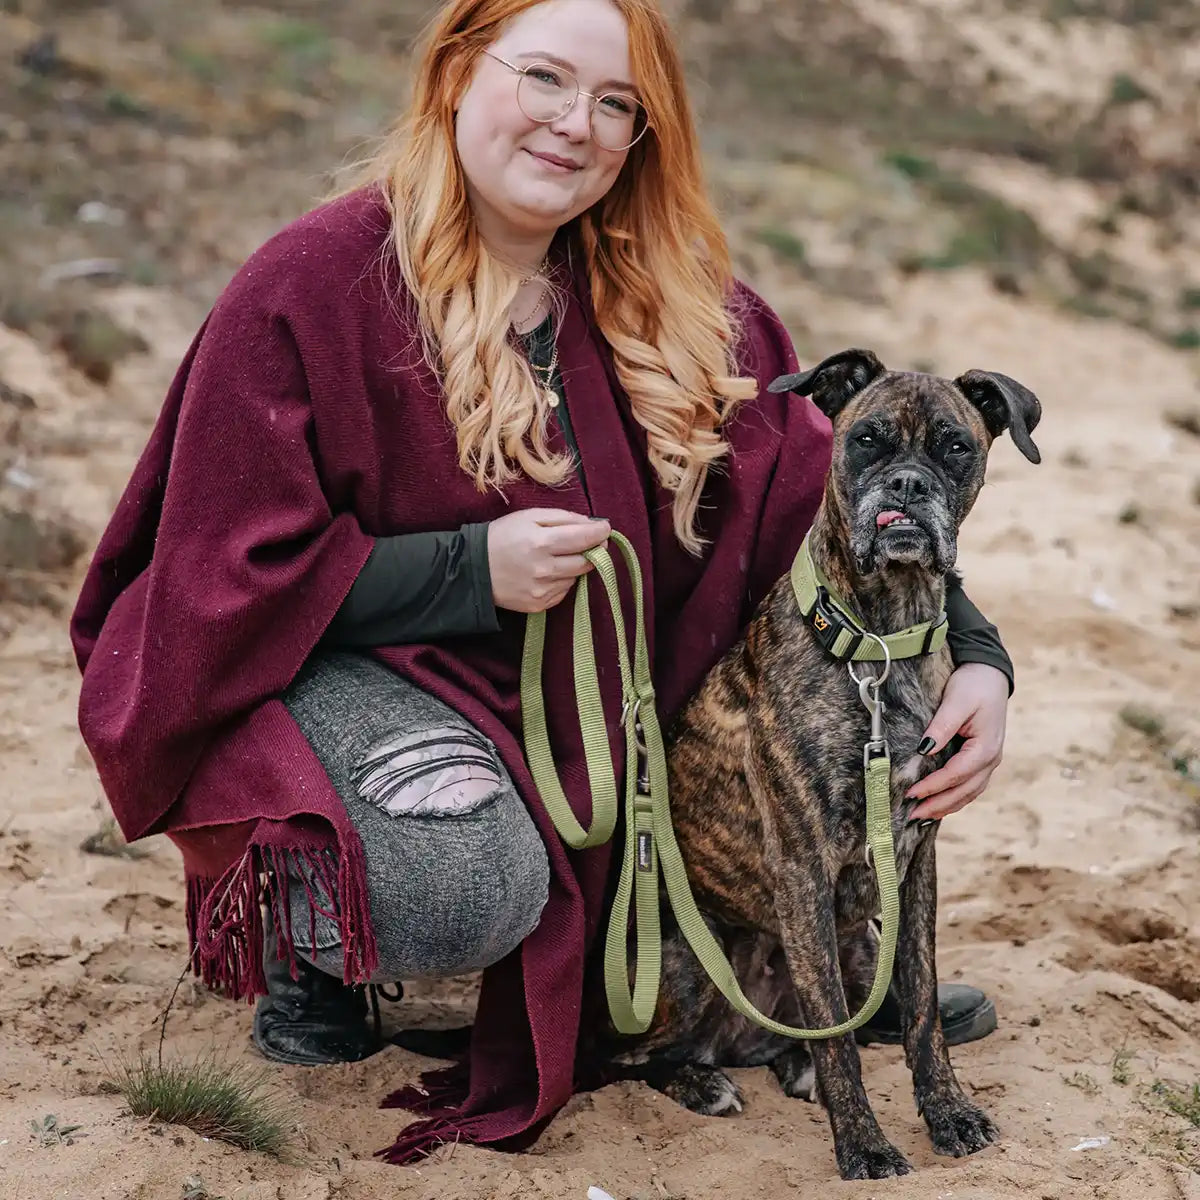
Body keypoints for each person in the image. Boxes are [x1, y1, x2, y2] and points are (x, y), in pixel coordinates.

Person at [69, 0, 1014, 1165]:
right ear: (461, 67)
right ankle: (313, 943)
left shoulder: (686, 304)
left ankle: (778, 974)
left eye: (617, 105)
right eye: (547, 80)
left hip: (593, 730)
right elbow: (218, 575)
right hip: (361, 673)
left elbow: (814, 504)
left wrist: (978, 655)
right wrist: (468, 572)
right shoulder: (309, 288)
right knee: (465, 880)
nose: (577, 124)